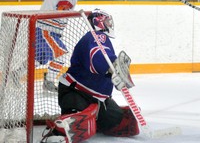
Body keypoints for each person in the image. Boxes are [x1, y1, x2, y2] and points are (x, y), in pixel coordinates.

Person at [41, 9, 139, 142]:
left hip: (98, 99)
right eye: (107, 21)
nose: (110, 24)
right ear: (98, 21)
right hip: (76, 92)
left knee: (119, 120)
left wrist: (117, 75)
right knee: (78, 122)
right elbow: (96, 55)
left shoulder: (101, 39)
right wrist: (111, 68)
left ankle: (93, 118)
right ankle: (58, 133)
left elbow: (105, 59)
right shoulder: (96, 37)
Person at [35, 0, 115, 92]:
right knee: (62, 54)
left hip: (54, 33)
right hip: (44, 30)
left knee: (39, 59)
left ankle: (17, 73)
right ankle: (48, 82)